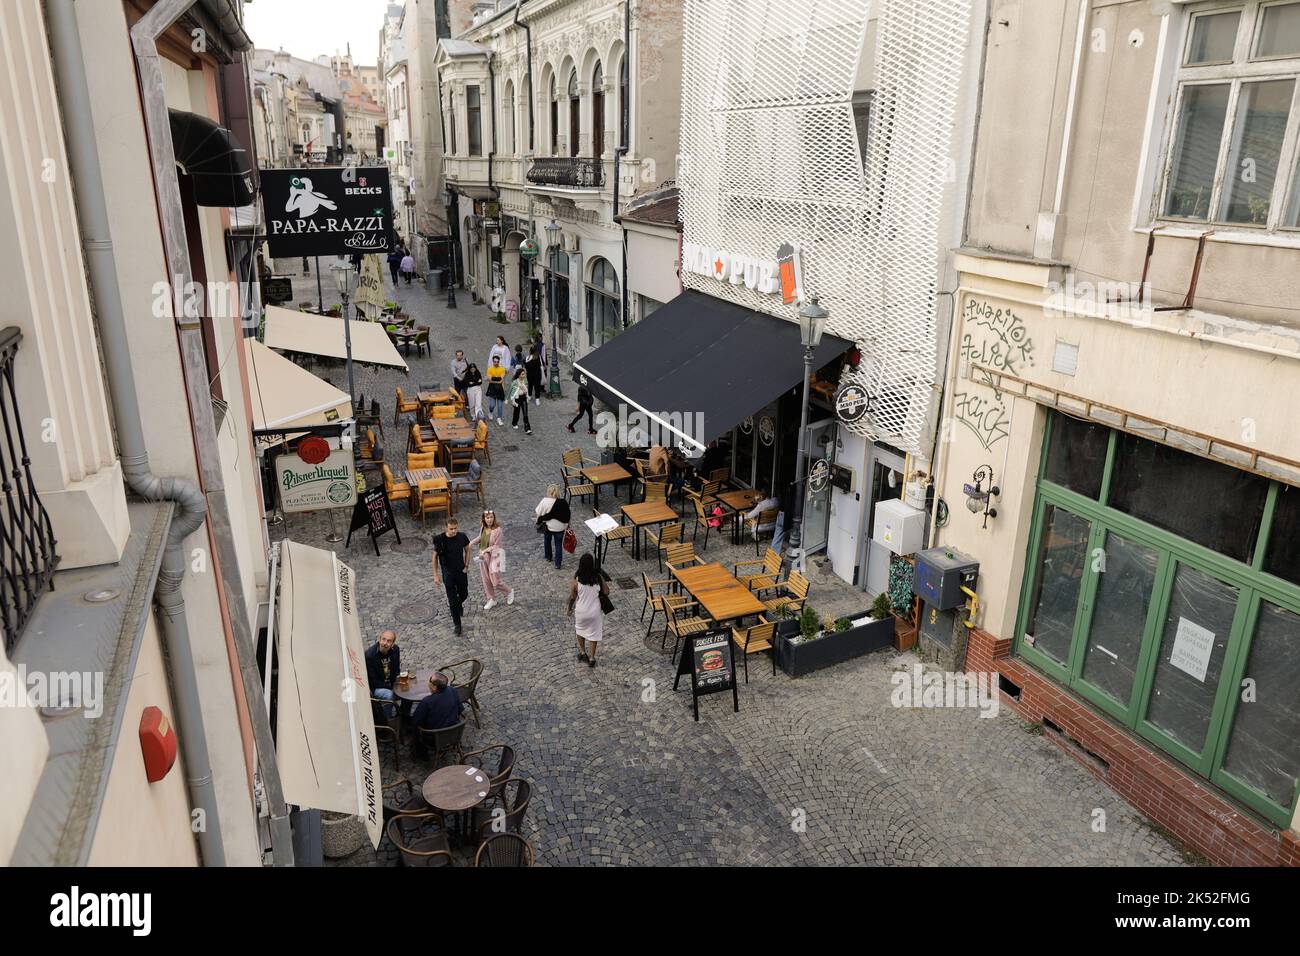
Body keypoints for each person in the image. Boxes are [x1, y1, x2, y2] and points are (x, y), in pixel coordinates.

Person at [431, 517, 472, 636]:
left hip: (461, 571)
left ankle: (458, 605)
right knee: (452, 600)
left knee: (464, 594)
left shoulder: (462, 536)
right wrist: (435, 575)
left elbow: (468, 549)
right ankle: (457, 624)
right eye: (451, 529)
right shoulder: (440, 540)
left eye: (455, 528)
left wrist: (466, 565)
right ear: (445, 528)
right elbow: (434, 557)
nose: (453, 531)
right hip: (448, 574)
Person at [567, 553, 608, 668]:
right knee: (594, 634)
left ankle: (582, 652)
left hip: (581, 611)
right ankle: (591, 657)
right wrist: (601, 580)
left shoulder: (576, 580)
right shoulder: (598, 577)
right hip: (594, 612)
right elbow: (606, 592)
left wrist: (569, 609)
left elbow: (572, 598)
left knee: (580, 630)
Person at [475, 509, 514, 609]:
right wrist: (470, 543)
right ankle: (491, 599)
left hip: (495, 556)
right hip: (483, 557)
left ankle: (509, 591)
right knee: (486, 579)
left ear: (494, 518)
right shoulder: (483, 528)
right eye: (487, 517)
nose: (489, 520)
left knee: (495, 581)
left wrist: (485, 550)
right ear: (484, 519)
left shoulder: (498, 530)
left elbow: (497, 546)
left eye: (491, 517)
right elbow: (480, 538)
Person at [364, 630, 401, 719]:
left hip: (391, 682)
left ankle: (404, 713)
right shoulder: (370, 656)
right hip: (376, 687)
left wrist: (398, 680)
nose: (385, 643)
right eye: (383, 639)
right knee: (389, 695)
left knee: (407, 688)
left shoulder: (395, 650)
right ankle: (388, 719)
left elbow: (396, 668)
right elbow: (373, 681)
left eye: (389, 641)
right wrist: (391, 687)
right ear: (379, 639)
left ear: (392, 643)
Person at [535, 484, 571, 569]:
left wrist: (538, 520)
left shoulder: (544, 501)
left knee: (547, 541)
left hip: (548, 527)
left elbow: (538, 513)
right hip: (560, 528)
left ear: (549, 492)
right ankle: (558, 564)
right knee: (558, 545)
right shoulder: (563, 502)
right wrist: (569, 525)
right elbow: (568, 515)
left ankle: (548, 557)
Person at [772, 481, 796, 556]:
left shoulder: (783, 494)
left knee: (777, 536)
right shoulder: (792, 497)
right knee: (793, 534)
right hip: (786, 516)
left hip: (780, 514)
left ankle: (774, 555)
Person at [484, 356, 508, 425]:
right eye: (495, 362)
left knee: (500, 406)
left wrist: (492, 379)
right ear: (493, 361)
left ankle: (499, 418)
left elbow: (500, 380)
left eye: (497, 362)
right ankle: (490, 412)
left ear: (499, 361)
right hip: (492, 388)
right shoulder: (490, 369)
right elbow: (491, 380)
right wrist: (495, 379)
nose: (496, 363)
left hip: (500, 389)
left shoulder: (502, 369)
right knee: (492, 405)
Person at [509, 367, 532, 435]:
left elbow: (526, 391)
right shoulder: (515, 382)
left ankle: (527, 428)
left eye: (524, 374)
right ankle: (514, 422)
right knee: (517, 412)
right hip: (517, 399)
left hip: (523, 398)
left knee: (525, 413)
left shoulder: (525, 381)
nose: (524, 375)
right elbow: (512, 392)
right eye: (522, 374)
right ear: (519, 375)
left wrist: (523, 388)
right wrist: (513, 400)